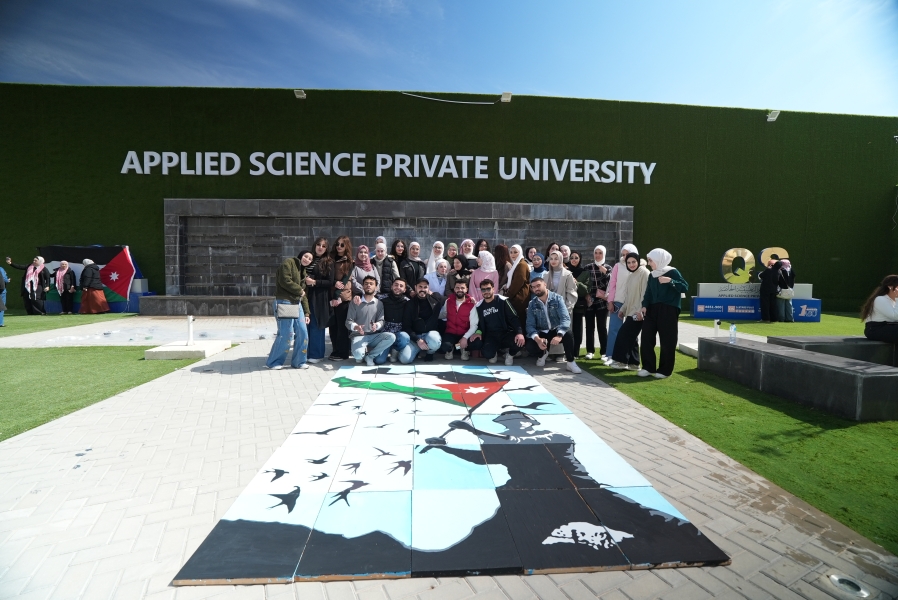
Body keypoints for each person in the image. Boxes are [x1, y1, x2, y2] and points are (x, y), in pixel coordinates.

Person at [637, 249, 688, 379]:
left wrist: (670, 281)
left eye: (650, 260)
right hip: (652, 309)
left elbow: (685, 287)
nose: (649, 263)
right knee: (646, 337)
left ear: (658, 259)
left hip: (669, 309)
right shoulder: (652, 275)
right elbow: (648, 292)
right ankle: (648, 367)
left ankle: (665, 370)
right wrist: (644, 305)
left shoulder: (673, 272)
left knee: (667, 340)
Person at [266, 251, 312, 370]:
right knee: (286, 333)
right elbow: (285, 280)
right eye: (306, 256)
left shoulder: (303, 272)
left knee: (303, 332)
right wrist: (299, 290)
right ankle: (274, 362)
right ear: (301, 256)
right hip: (284, 301)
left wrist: (307, 313)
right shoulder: (289, 263)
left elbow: (303, 295)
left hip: (297, 303)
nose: (307, 259)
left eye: (310, 259)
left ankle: (299, 362)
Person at [525, 277, 581, 373]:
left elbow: (565, 318)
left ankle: (570, 362)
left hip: (556, 330)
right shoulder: (532, 304)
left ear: (545, 284)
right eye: (533, 287)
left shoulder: (557, 298)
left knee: (568, 334)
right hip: (542, 332)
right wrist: (538, 340)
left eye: (538, 285)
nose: (536, 289)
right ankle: (542, 354)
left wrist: (559, 335)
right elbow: (530, 325)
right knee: (530, 345)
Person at [470, 279, 526, 365]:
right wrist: (478, 332)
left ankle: (510, 355)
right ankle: (494, 353)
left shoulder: (503, 301)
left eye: (488, 289)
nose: (486, 291)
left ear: (493, 288)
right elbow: (480, 324)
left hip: (506, 333)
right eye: (483, 290)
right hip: (491, 335)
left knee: (520, 341)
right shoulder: (479, 306)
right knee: (488, 354)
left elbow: (514, 318)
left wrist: (519, 333)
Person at [609, 253, 650, 370]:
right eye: (629, 262)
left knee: (624, 335)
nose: (631, 264)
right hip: (630, 312)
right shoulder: (631, 275)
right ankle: (634, 363)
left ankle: (621, 361)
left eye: (633, 262)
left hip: (637, 313)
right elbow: (628, 296)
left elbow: (645, 294)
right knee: (632, 337)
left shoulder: (644, 273)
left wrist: (640, 311)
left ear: (638, 261)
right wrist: (623, 309)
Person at [346, 275, 396, 366]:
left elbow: (382, 321)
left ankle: (370, 356)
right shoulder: (355, 302)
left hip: (374, 336)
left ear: (376, 287)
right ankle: (361, 353)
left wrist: (377, 325)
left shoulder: (379, 303)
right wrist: (356, 327)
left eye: (371, 284)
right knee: (358, 356)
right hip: (358, 336)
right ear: (363, 286)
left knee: (391, 337)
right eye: (366, 283)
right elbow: (348, 322)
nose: (368, 285)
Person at [604, 244, 638, 365]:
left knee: (631, 331)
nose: (624, 256)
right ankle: (610, 355)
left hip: (633, 303)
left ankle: (629, 358)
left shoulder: (639, 267)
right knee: (614, 329)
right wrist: (610, 301)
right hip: (618, 301)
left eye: (627, 254)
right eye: (623, 254)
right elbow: (612, 284)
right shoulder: (618, 266)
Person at [305, 236, 333, 363]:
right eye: (318, 245)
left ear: (326, 249)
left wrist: (315, 282)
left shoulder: (328, 262)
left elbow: (330, 282)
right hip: (306, 295)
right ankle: (305, 353)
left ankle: (316, 355)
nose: (320, 248)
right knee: (305, 325)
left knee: (316, 325)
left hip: (320, 297)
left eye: (323, 246)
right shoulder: (309, 258)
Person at [404, 278, 444, 361]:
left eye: (425, 287)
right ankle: (418, 349)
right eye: (420, 287)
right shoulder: (409, 304)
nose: (422, 289)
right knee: (405, 359)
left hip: (430, 334)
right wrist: (417, 340)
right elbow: (406, 326)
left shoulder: (435, 300)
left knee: (434, 340)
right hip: (416, 336)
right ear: (415, 287)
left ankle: (430, 352)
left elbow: (451, 299)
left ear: (428, 288)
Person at [583, 246, 611, 360]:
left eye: (600, 253)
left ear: (604, 254)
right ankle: (590, 351)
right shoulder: (588, 267)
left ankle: (604, 351)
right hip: (590, 300)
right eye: (596, 252)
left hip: (602, 301)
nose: (598, 255)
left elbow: (612, 284)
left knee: (602, 327)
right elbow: (583, 282)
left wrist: (606, 273)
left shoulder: (608, 267)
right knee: (589, 326)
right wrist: (586, 295)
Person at [328, 236, 353, 361]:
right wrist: (333, 285)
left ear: (346, 246)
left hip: (342, 297)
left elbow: (343, 281)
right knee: (333, 326)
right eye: (337, 244)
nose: (339, 246)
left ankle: (343, 353)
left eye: (342, 245)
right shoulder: (330, 259)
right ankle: (335, 350)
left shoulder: (349, 262)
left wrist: (337, 297)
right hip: (331, 296)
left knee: (342, 327)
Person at [377, 278, 414, 364]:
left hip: (399, 332)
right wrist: (358, 296)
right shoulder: (381, 298)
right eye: (396, 285)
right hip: (385, 333)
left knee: (405, 337)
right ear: (391, 286)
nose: (398, 287)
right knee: (379, 360)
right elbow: (369, 298)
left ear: (404, 290)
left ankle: (395, 350)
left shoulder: (407, 301)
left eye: (401, 286)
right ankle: (385, 349)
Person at [439, 279, 477, 361]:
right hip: (451, 332)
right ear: (454, 289)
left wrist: (465, 338)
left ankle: (463, 348)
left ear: (466, 289)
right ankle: (454, 348)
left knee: (475, 343)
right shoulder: (448, 301)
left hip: (465, 332)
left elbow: (474, 325)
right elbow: (443, 314)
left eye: (462, 288)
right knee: (445, 346)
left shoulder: (471, 304)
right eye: (457, 288)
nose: (460, 290)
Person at [861, 275, 898, 343]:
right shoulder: (880, 299)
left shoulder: (894, 301)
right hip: (875, 329)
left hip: (891, 326)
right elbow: (895, 316)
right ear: (890, 287)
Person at [504, 244, 531, 326]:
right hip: (516, 295)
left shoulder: (521, 265)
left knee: (519, 321)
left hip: (519, 296)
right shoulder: (516, 264)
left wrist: (508, 296)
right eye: (511, 252)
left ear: (520, 253)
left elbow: (518, 282)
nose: (512, 254)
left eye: (515, 252)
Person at [569, 252, 590, 353]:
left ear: (580, 259)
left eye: (576, 258)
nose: (574, 260)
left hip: (578, 304)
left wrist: (577, 283)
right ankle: (567, 350)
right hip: (567, 304)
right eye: (572, 258)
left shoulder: (585, 272)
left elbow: (586, 290)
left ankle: (576, 350)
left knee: (577, 328)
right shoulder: (566, 271)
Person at [757, 259, 783, 323]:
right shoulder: (779, 272)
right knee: (773, 305)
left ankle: (766, 318)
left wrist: (768, 268)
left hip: (765, 290)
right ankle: (774, 318)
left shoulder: (768, 270)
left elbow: (761, 275)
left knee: (765, 304)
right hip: (774, 290)